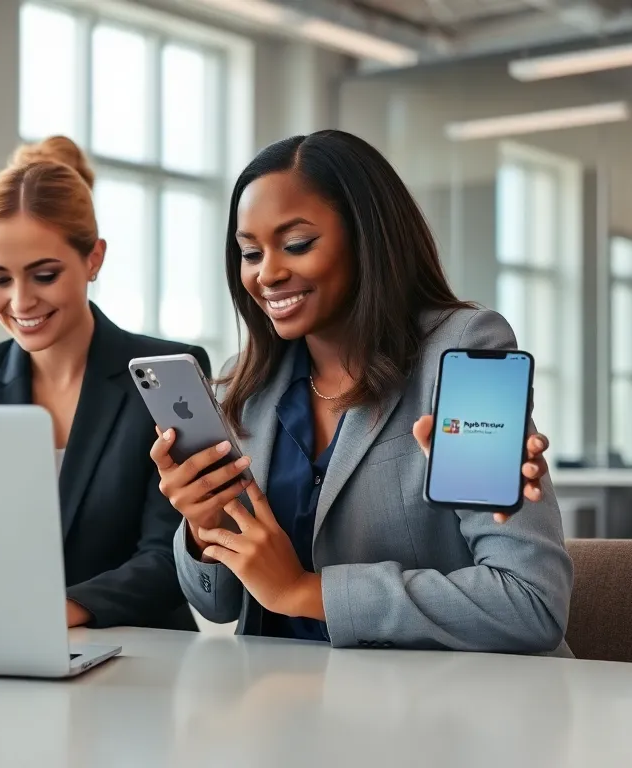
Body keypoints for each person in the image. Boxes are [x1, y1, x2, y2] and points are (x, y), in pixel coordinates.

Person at [152, 130, 571, 653]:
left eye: (297, 244)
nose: (268, 273)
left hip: (441, 696)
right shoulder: (249, 386)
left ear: (368, 238)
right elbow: (218, 605)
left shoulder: (461, 353)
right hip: (282, 693)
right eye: (250, 253)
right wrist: (203, 524)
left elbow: (529, 603)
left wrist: (306, 592)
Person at [0, 136, 201, 631]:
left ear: (93, 259)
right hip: (2, 643)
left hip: (143, 653)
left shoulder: (164, 375)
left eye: (44, 275)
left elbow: (172, 553)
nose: (20, 301)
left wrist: (59, 611)